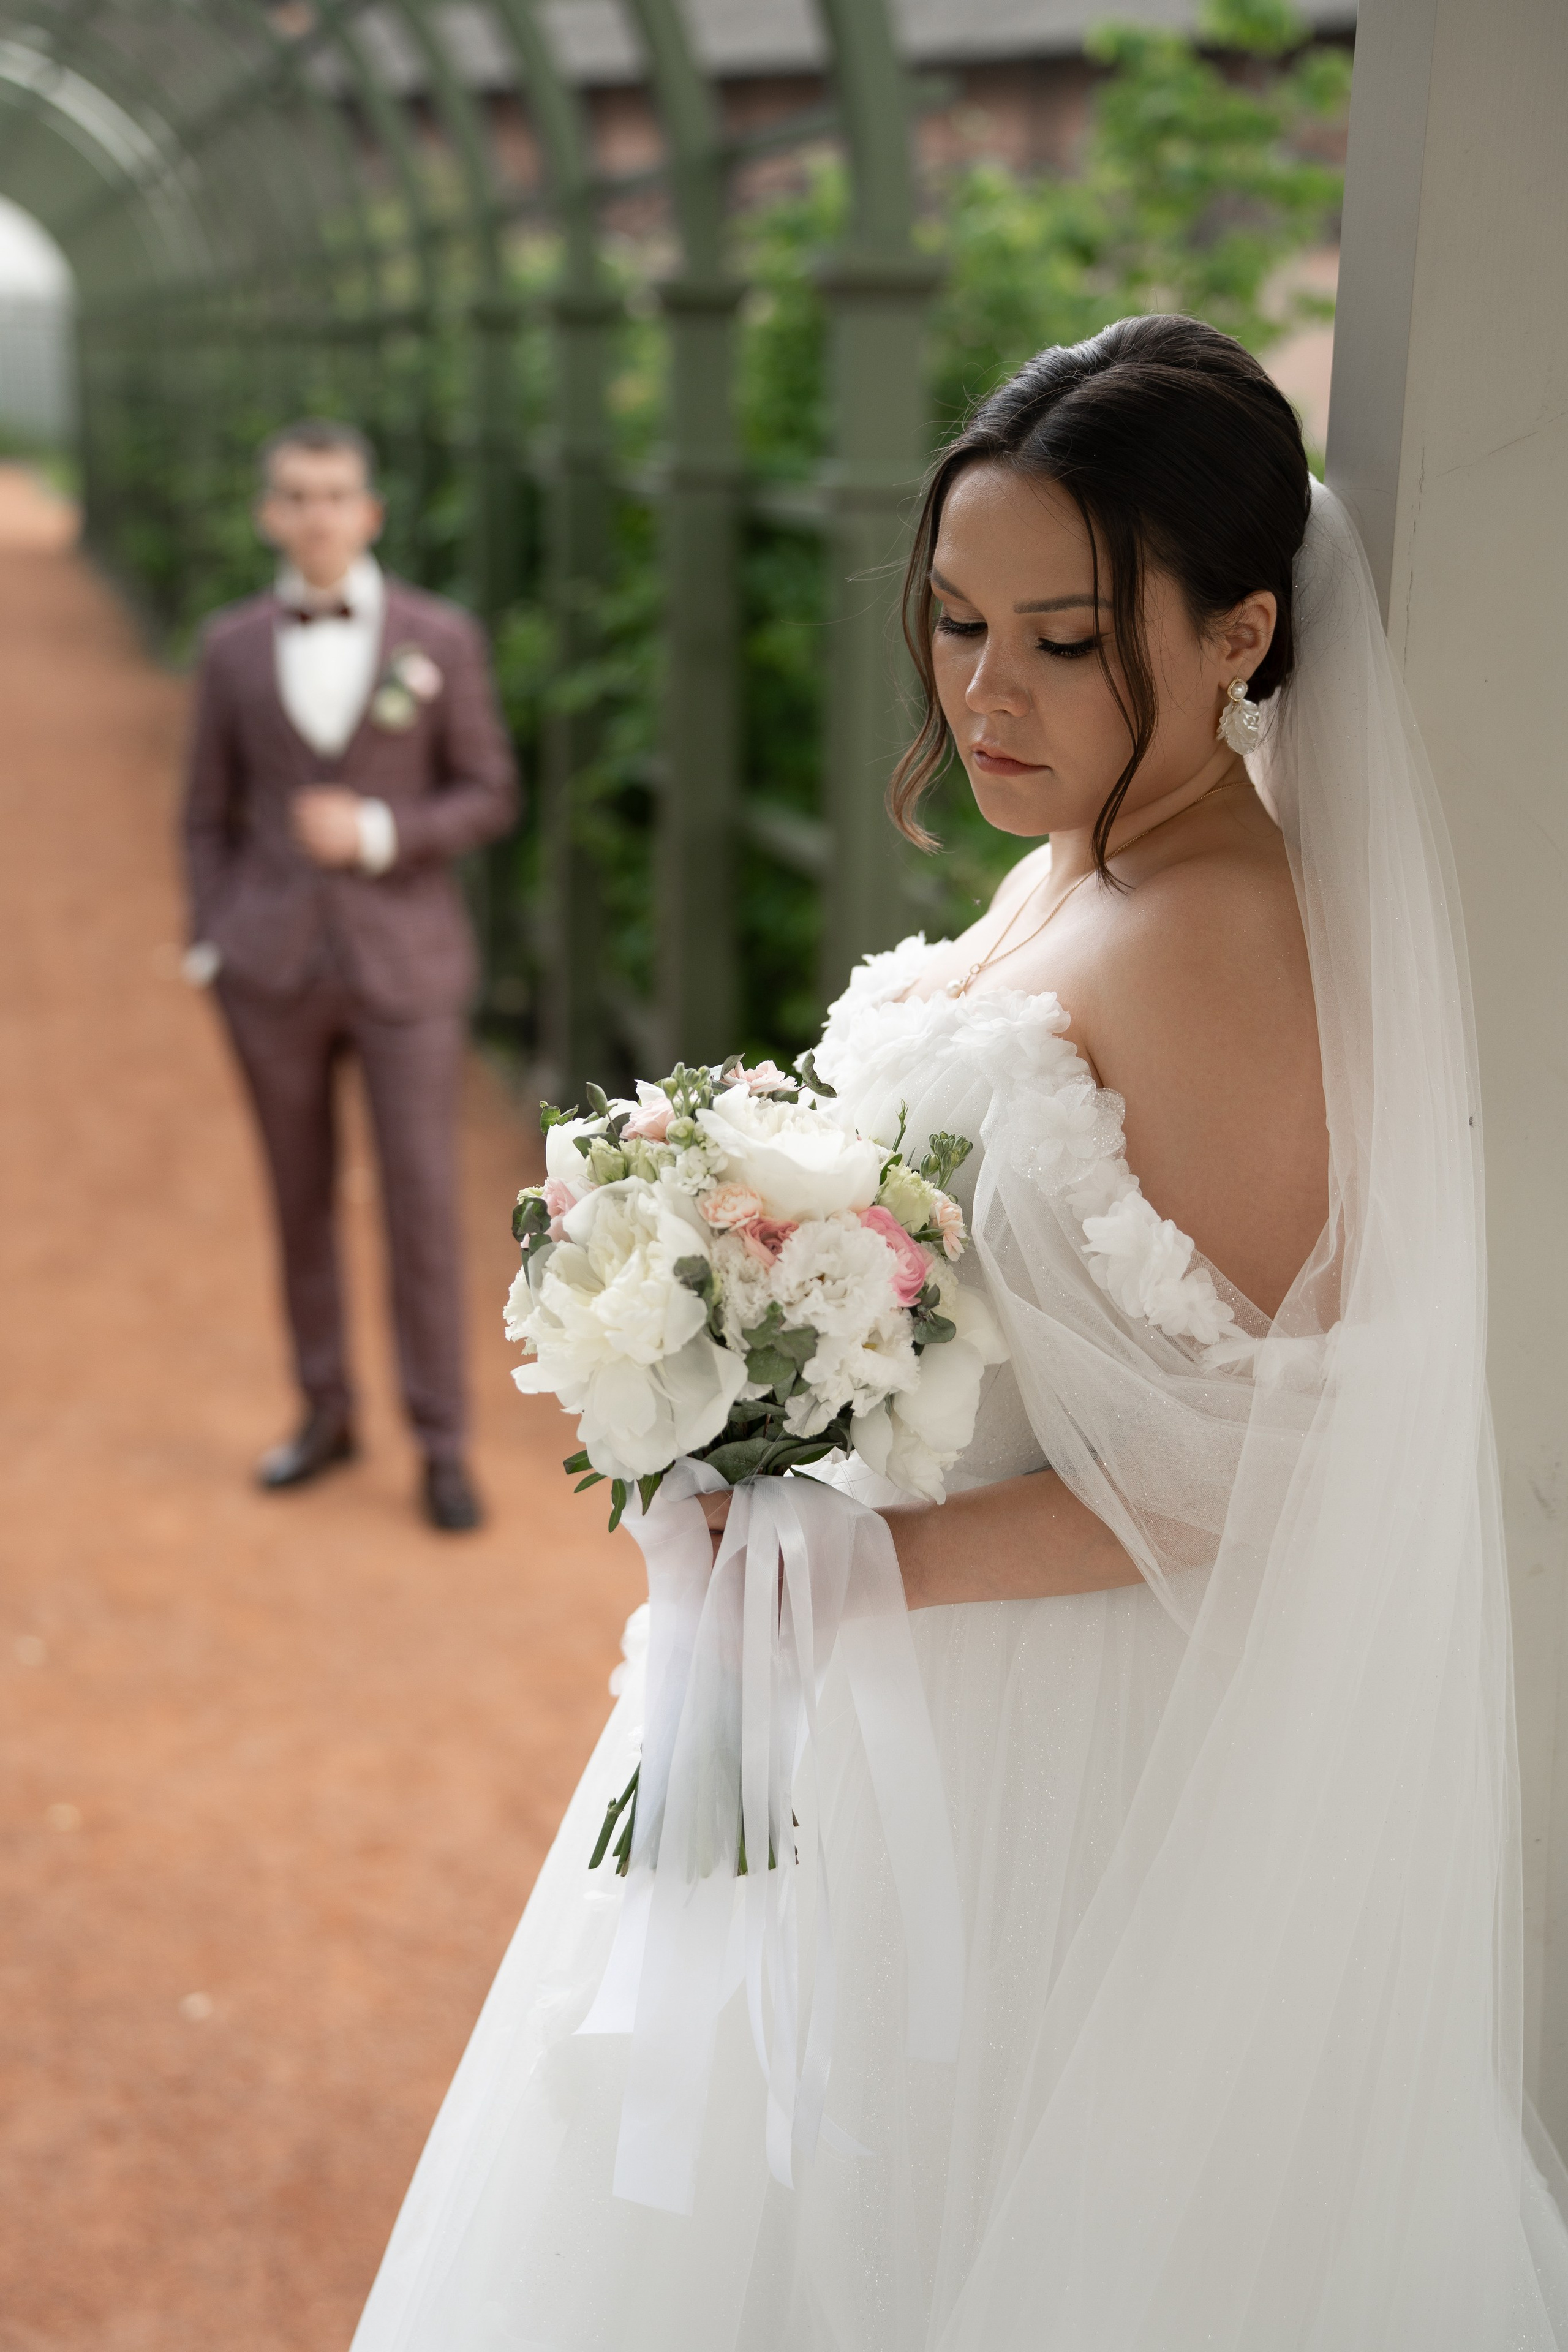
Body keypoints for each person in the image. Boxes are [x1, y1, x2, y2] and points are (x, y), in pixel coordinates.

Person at [349, 320, 1568, 2343]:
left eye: (1069, 641)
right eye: (957, 622)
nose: (988, 692)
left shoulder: (1221, 938)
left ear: (1242, 630)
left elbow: (1270, 1466)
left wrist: (871, 1558)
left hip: (1059, 1752)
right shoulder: (1073, 862)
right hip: (879, 1678)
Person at [182, 420, 517, 1532]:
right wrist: (212, 937)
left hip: (404, 965)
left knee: (424, 1202)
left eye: (336, 494)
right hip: (269, 968)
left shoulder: (442, 639)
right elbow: (203, 814)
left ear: (368, 514)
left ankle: (441, 1445)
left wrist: (376, 829)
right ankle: (324, 1411)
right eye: (295, 495)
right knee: (297, 1197)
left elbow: (488, 792)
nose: (317, 514)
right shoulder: (230, 648)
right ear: (269, 515)